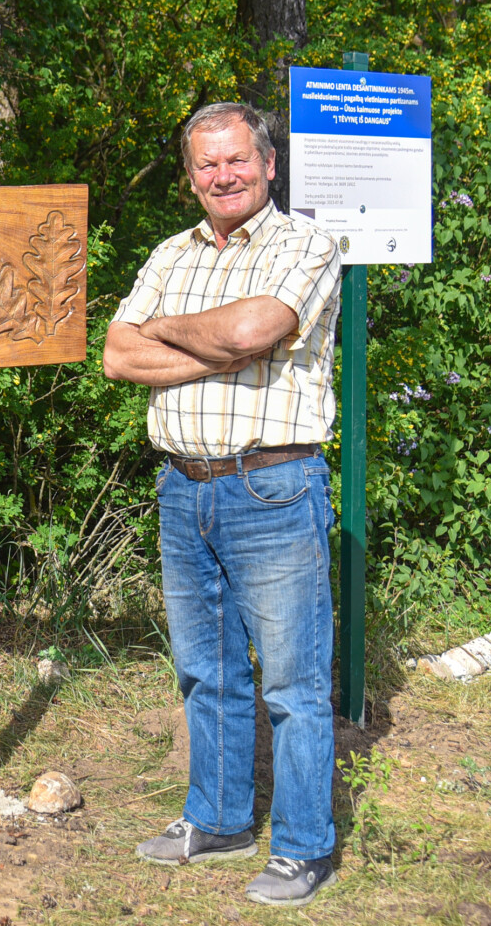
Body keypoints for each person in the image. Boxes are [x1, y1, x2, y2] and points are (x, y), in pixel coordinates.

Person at [102, 102, 343, 907]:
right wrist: (218, 344)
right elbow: (117, 354)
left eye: (237, 159)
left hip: (273, 485)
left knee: (292, 683)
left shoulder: (307, 244)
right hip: (183, 488)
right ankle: (218, 818)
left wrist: (170, 331)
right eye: (206, 164)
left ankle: (303, 846)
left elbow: (254, 329)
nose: (223, 176)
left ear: (269, 164)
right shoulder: (171, 253)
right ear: (190, 176)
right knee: (205, 672)